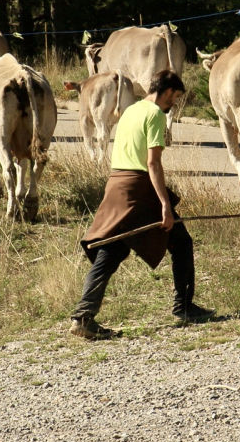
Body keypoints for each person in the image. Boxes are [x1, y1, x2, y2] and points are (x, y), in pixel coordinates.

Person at [72, 69, 212, 339]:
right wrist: (164, 205)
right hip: (137, 188)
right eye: (176, 97)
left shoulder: (132, 110)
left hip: (116, 185)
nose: (175, 103)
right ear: (168, 91)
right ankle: (184, 307)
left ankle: (82, 316)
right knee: (181, 242)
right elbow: (152, 163)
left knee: (110, 252)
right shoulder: (156, 115)